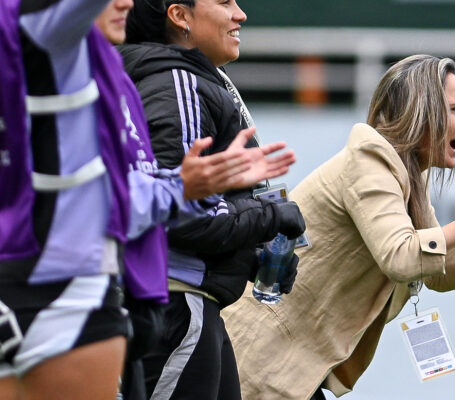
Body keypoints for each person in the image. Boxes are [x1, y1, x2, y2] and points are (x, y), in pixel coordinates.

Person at [0, 0, 292, 398]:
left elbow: (114, 199)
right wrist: (198, 193)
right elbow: (104, 208)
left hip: (31, 288)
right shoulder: (45, 56)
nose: (126, 2)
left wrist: (182, 186)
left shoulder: (94, 73)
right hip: (65, 294)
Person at [222, 54, 455, 399]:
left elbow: (436, 268)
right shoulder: (370, 161)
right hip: (260, 358)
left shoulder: (406, 172)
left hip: (290, 364)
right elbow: (403, 258)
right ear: (421, 113)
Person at [119, 0, 306, 398]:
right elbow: (181, 212)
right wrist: (270, 217)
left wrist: (249, 256)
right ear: (179, 16)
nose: (240, 14)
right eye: (224, 2)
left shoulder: (186, 79)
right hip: (176, 302)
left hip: (190, 303)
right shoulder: (177, 81)